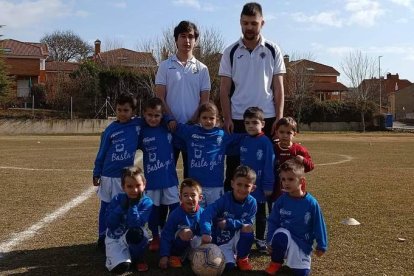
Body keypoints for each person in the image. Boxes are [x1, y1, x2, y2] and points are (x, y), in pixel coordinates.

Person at [219, 2, 286, 192]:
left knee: (270, 170)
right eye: (245, 23)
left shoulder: (273, 50)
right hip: (238, 120)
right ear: (240, 22)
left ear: (262, 23)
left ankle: (270, 219)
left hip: (268, 119)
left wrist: (279, 119)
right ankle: (232, 218)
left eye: (253, 23)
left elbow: (279, 88)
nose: (249, 27)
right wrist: (227, 118)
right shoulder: (230, 51)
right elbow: (224, 89)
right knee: (234, 171)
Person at [155, 20, 211, 179]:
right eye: (183, 36)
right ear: (176, 39)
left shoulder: (202, 69)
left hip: (193, 131)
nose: (187, 40)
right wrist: (170, 119)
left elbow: (204, 102)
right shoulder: (165, 66)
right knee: (166, 175)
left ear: (195, 41)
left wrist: (193, 121)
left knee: (192, 178)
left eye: (191, 37)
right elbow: (160, 97)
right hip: (169, 129)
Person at [93, 93, 142, 251]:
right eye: (119, 109)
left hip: (124, 177)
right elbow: (102, 152)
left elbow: (154, 118)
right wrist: (97, 172)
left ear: (133, 112)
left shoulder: (137, 125)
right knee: (106, 206)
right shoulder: (110, 130)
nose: (122, 113)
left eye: (126, 110)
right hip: (108, 175)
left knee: (124, 206)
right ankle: (102, 235)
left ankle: (122, 234)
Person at [173, 102, 244, 207]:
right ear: (199, 119)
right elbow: (173, 126)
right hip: (196, 186)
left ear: (217, 119)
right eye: (204, 118)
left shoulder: (222, 135)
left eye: (211, 118)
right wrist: (168, 119)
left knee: (215, 216)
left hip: (215, 186)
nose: (208, 121)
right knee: (196, 216)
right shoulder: (191, 132)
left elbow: (244, 138)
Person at [265, 159, 327, 276]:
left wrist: (321, 245)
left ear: (301, 181)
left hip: (302, 243)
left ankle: (298, 261)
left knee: (302, 273)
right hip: (284, 240)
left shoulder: (311, 203)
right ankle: (275, 262)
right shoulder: (281, 201)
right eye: (283, 179)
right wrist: (269, 240)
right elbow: (273, 221)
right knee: (281, 234)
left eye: (290, 179)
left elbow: (319, 224)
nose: (286, 183)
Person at [138, 97, 180, 251]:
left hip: (169, 179)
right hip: (152, 180)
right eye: (149, 115)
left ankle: (172, 234)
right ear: (144, 114)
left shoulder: (167, 128)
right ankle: (155, 237)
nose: (153, 119)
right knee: (153, 211)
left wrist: (169, 118)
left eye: (157, 115)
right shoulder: (142, 131)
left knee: (175, 209)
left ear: (162, 115)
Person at [200, 165, 257, 272]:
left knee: (248, 227)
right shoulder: (224, 199)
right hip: (223, 240)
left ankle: (242, 258)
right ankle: (231, 257)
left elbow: (248, 222)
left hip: (239, 236)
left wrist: (229, 223)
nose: (242, 189)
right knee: (228, 267)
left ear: (253, 188)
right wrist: (206, 232)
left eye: (247, 186)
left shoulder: (252, 202)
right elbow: (207, 212)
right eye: (239, 184)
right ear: (232, 184)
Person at [104, 166, 153, 274]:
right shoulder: (117, 199)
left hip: (133, 235)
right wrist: (120, 208)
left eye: (138, 185)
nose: (134, 190)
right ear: (123, 187)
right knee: (122, 268)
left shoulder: (147, 202)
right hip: (115, 238)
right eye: (129, 186)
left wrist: (133, 206)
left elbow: (135, 224)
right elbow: (110, 224)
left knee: (136, 233)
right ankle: (118, 258)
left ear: (144, 185)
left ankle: (138, 258)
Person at [240, 106, 275, 253]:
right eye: (247, 123)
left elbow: (269, 164)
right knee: (246, 213)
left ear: (263, 124)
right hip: (246, 187)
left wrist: (268, 185)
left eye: (254, 122)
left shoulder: (265, 142)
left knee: (261, 214)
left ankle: (261, 240)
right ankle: (245, 237)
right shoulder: (245, 140)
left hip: (260, 187)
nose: (250, 126)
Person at [159, 178, 204, 269]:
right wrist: (164, 256)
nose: (189, 198)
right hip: (178, 245)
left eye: (193, 195)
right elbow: (166, 235)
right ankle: (175, 256)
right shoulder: (175, 214)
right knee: (186, 232)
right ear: (180, 198)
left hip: (194, 244)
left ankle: (193, 256)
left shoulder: (203, 213)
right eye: (185, 195)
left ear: (200, 198)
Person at [271, 117, 314, 203]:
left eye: (288, 133)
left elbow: (311, 166)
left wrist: (303, 161)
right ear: (276, 132)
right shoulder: (273, 149)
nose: (285, 135)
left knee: (295, 209)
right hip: (277, 189)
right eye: (281, 132)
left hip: (296, 190)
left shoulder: (299, 150)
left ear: (294, 133)